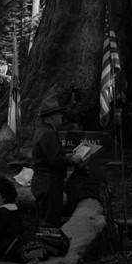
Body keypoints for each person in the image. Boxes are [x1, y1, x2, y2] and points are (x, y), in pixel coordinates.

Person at [30, 97, 82, 237]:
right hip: (49, 182)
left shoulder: (44, 130)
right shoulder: (47, 133)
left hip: (45, 181)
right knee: (49, 219)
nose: (61, 116)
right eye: (59, 114)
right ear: (52, 116)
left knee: (45, 216)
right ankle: (47, 248)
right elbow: (54, 160)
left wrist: (67, 154)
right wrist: (72, 159)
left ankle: (42, 245)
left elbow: (52, 154)